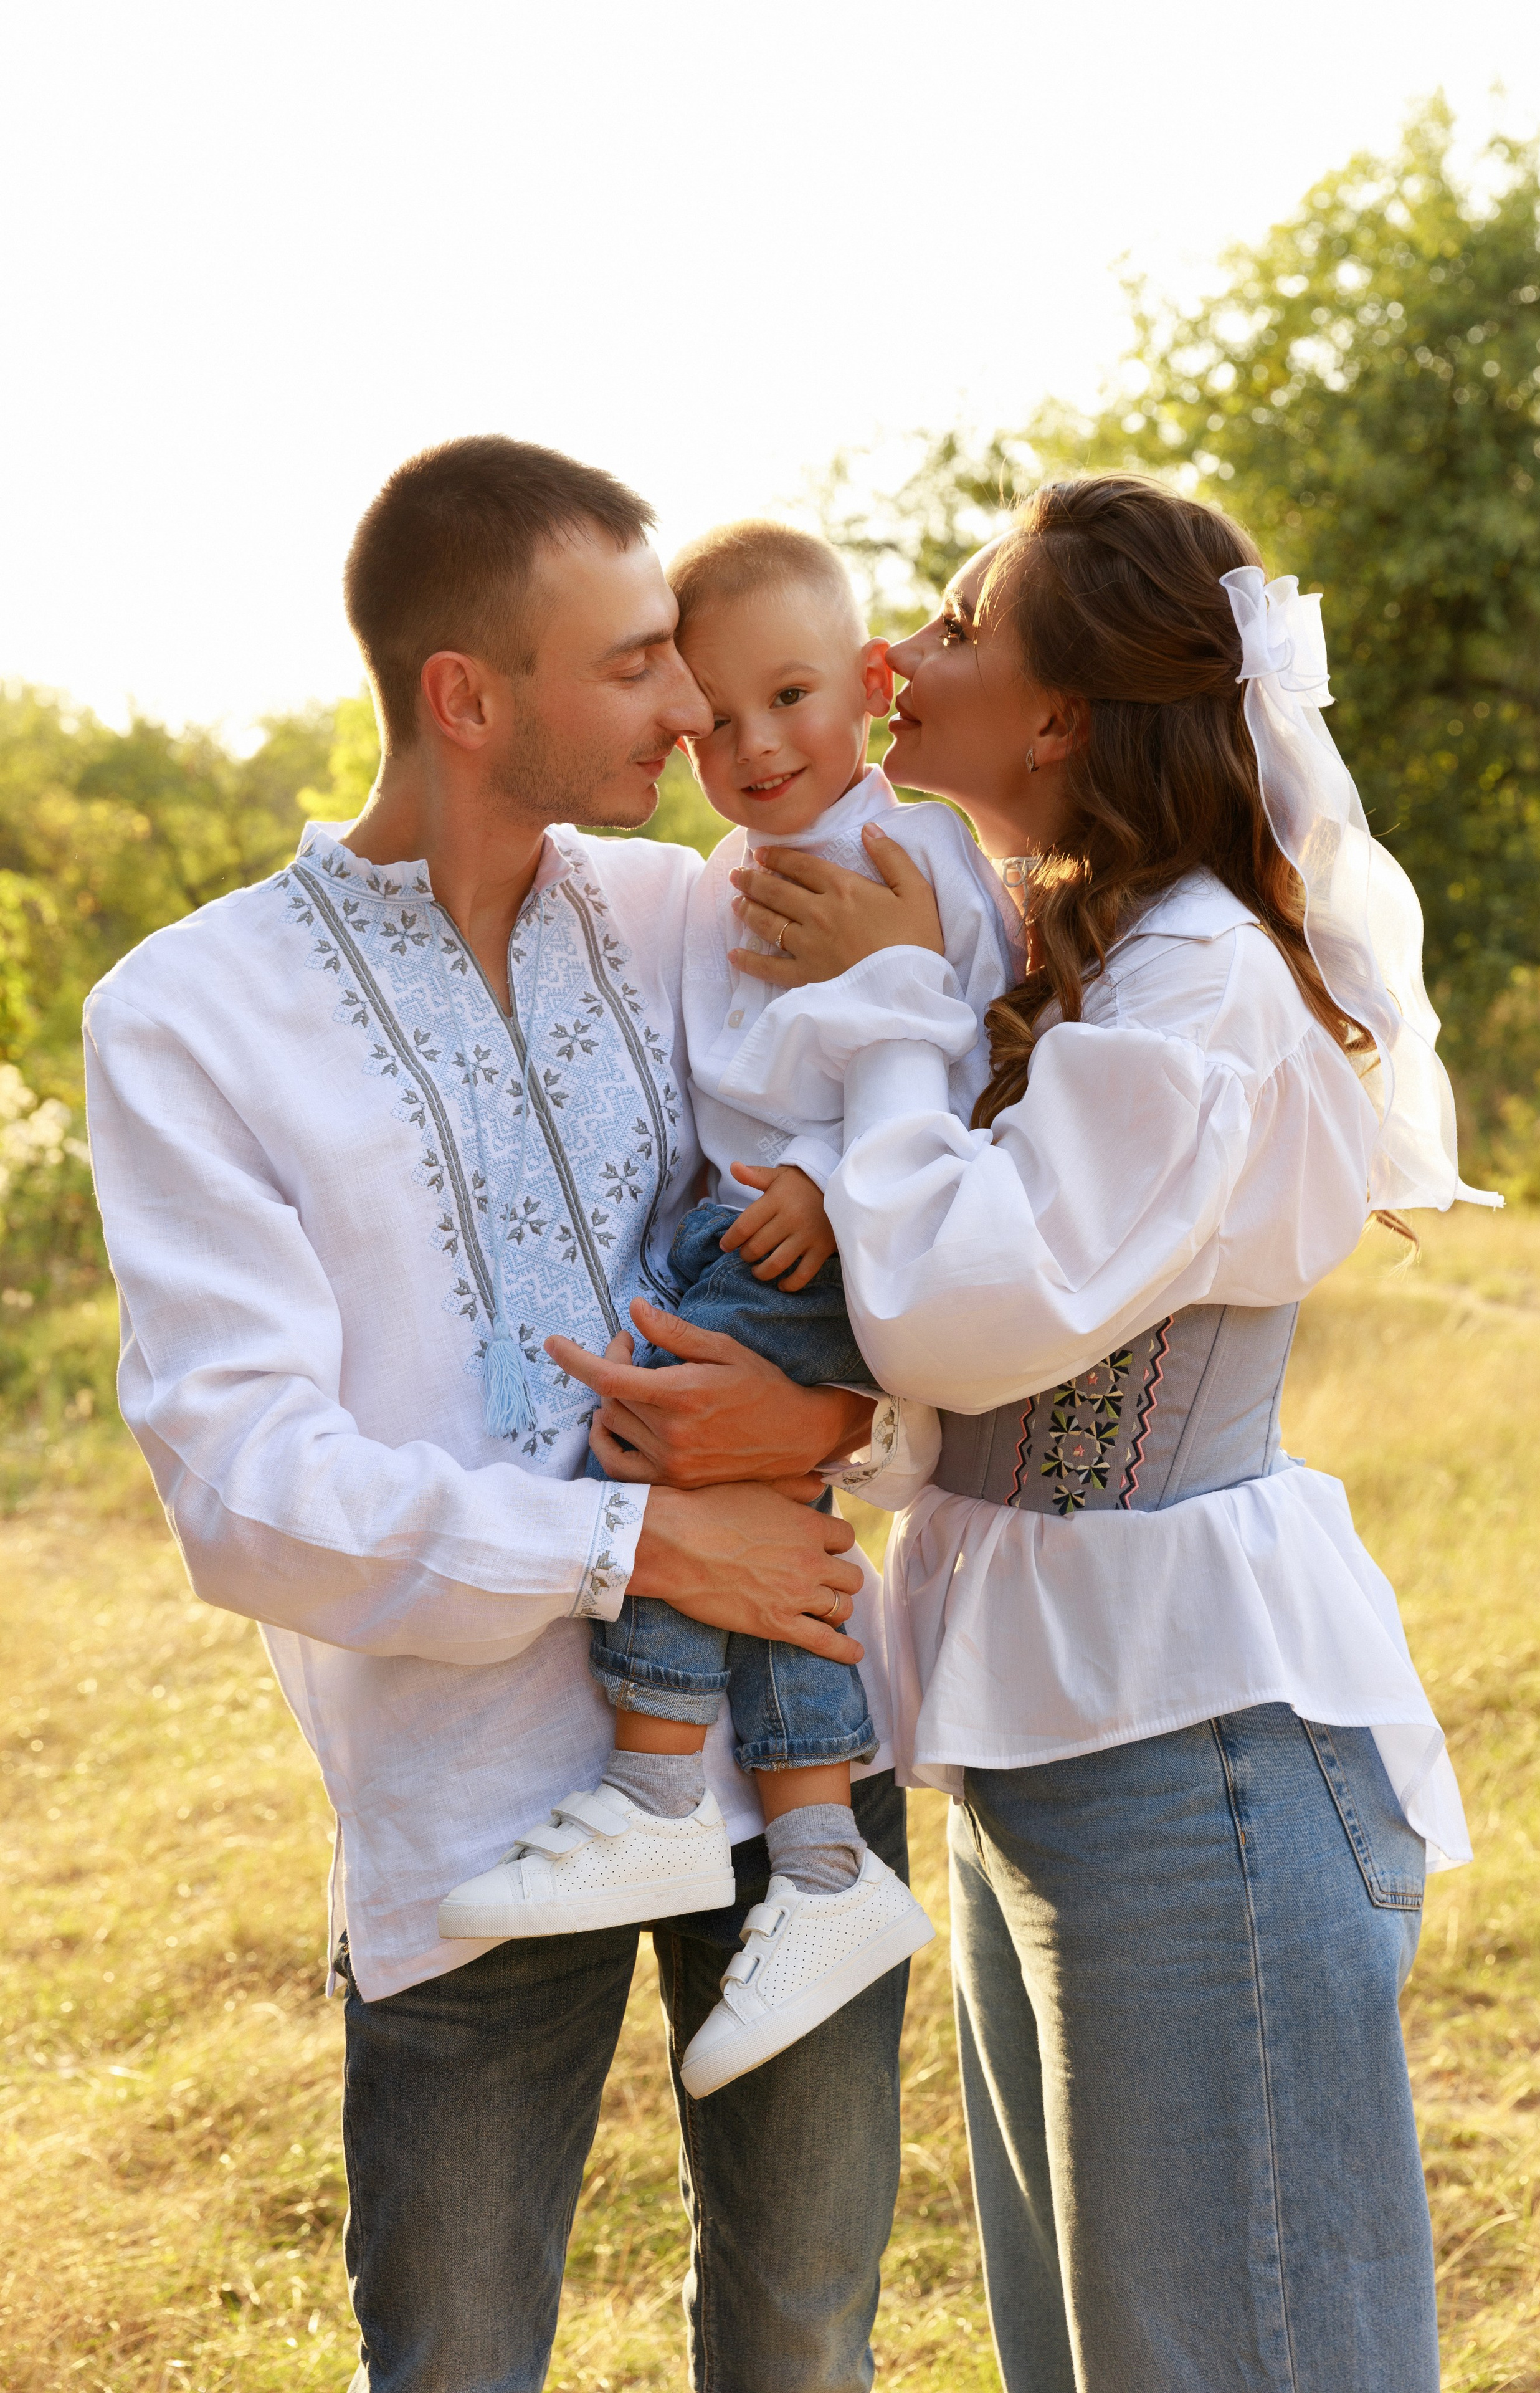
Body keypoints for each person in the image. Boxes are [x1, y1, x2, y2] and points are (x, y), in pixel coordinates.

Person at [82, 436, 923, 2393]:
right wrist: (640, 1536)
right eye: (635, 663)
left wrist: (817, 1438)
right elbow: (244, 1484)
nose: (694, 704)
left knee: (807, 2343)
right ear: (468, 697)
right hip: (475, 1814)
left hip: (800, 1768)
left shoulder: (698, 909)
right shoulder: (188, 1017)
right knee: (457, 2360)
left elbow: (900, 1192)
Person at [672, 475, 1495, 2391]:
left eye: (957, 626)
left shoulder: (1198, 974)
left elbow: (962, 1303)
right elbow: (967, 1367)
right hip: (1066, 1753)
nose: (905, 659)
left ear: (1057, 714)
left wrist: (877, 1012)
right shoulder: (1092, 954)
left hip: (1196, 1755)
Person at [443, 520, 1019, 2096]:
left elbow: (970, 1067)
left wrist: (830, 1180)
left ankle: (656, 1793)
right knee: (727, 1502)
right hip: (738, 1241)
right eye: (717, 719)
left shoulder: (924, 861)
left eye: (793, 697)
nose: (757, 747)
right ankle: (821, 1861)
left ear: (872, 680)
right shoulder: (712, 881)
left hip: (827, 1250)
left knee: (674, 1456)